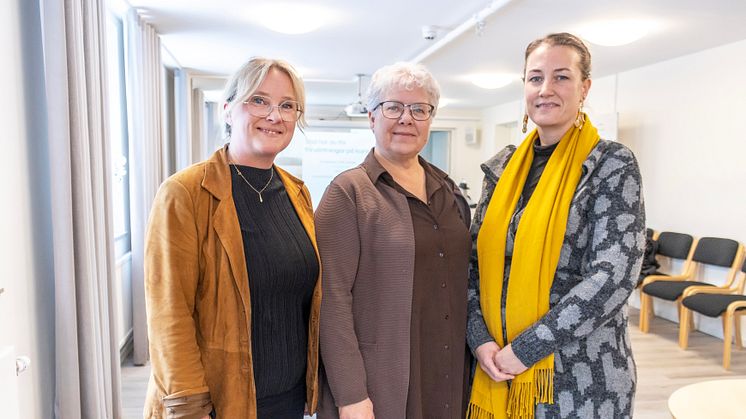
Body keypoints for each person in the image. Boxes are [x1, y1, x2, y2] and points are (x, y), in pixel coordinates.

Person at [466, 33, 645, 419]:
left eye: (561, 77)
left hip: (580, 377)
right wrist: (479, 340)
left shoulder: (609, 164)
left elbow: (612, 278)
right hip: (495, 366)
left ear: (585, 88)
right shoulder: (501, 169)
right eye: (535, 78)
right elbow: (472, 263)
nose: (546, 89)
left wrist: (525, 349)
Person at [143, 57, 322, 418]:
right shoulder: (186, 192)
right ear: (228, 110)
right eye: (259, 100)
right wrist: (189, 404)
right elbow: (169, 313)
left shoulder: (297, 194)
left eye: (287, 105)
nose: (275, 115)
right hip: (216, 402)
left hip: (286, 399)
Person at [315, 62, 472, 419]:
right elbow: (330, 300)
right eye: (393, 107)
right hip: (382, 381)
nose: (407, 118)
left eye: (419, 109)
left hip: (447, 369)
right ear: (372, 117)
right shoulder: (348, 193)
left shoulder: (448, 190)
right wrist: (350, 394)